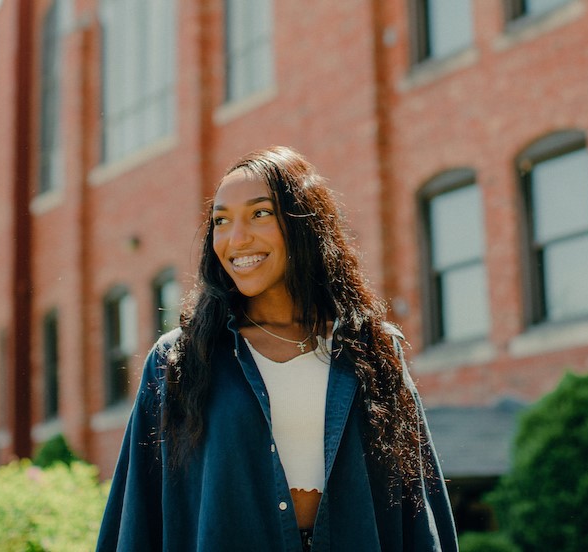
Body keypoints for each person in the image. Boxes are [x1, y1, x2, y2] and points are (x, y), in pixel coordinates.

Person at [96, 146, 458, 551]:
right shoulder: (179, 360)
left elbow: (417, 498)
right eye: (221, 220)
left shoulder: (371, 348)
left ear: (305, 222)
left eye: (260, 213)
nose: (237, 238)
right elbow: (138, 511)